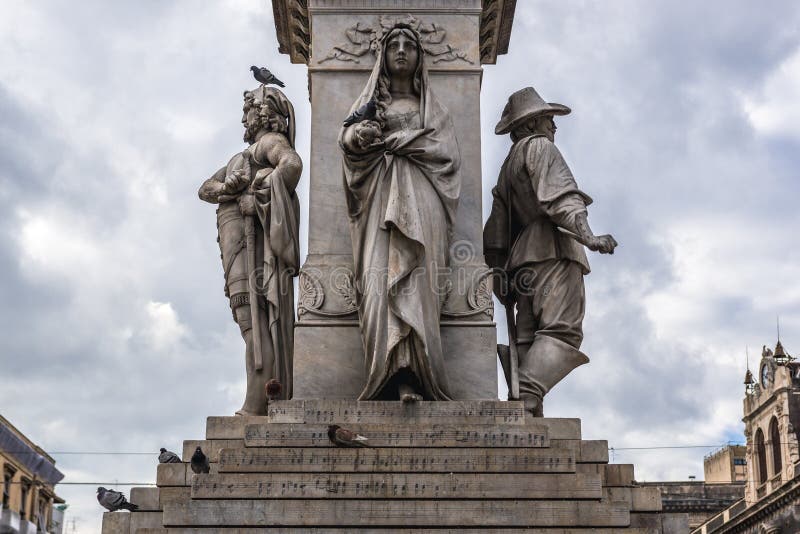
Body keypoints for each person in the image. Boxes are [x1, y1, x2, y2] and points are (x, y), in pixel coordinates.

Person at [339, 23, 461, 402]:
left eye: (410, 45)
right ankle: (386, 373)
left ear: (421, 57)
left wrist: (398, 142)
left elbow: (447, 154)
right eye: (395, 44)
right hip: (380, 203)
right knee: (379, 286)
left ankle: (418, 375)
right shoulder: (373, 103)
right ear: (384, 55)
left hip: (423, 204)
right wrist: (357, 137)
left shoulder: (432, 110)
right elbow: (347, 140)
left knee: (419, 287)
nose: (403, 50)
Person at [483, 86, 617, 416]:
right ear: (530, 126)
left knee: (529, 335)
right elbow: (562, 198)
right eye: (547, 119)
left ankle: (529, 406)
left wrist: (501, 272)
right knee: (562, 330)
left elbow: (495, 231)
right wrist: (589, 236)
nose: (553, 127)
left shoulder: (507, 166)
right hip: (552, 251)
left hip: (522, 261)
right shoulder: (540, 148)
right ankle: (527, 398)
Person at [198, 85, 302, 415]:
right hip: (237, 243)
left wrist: (258, 192)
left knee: (256, 319)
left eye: (249, 110)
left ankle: (257, 401)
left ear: (262, 113)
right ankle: (258, 395)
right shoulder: (242, 156)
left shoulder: (270, 143)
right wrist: (227, 188)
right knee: (248, 319)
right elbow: (204, 189)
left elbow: (292, 165)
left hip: (255, 244)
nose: (245, 116)